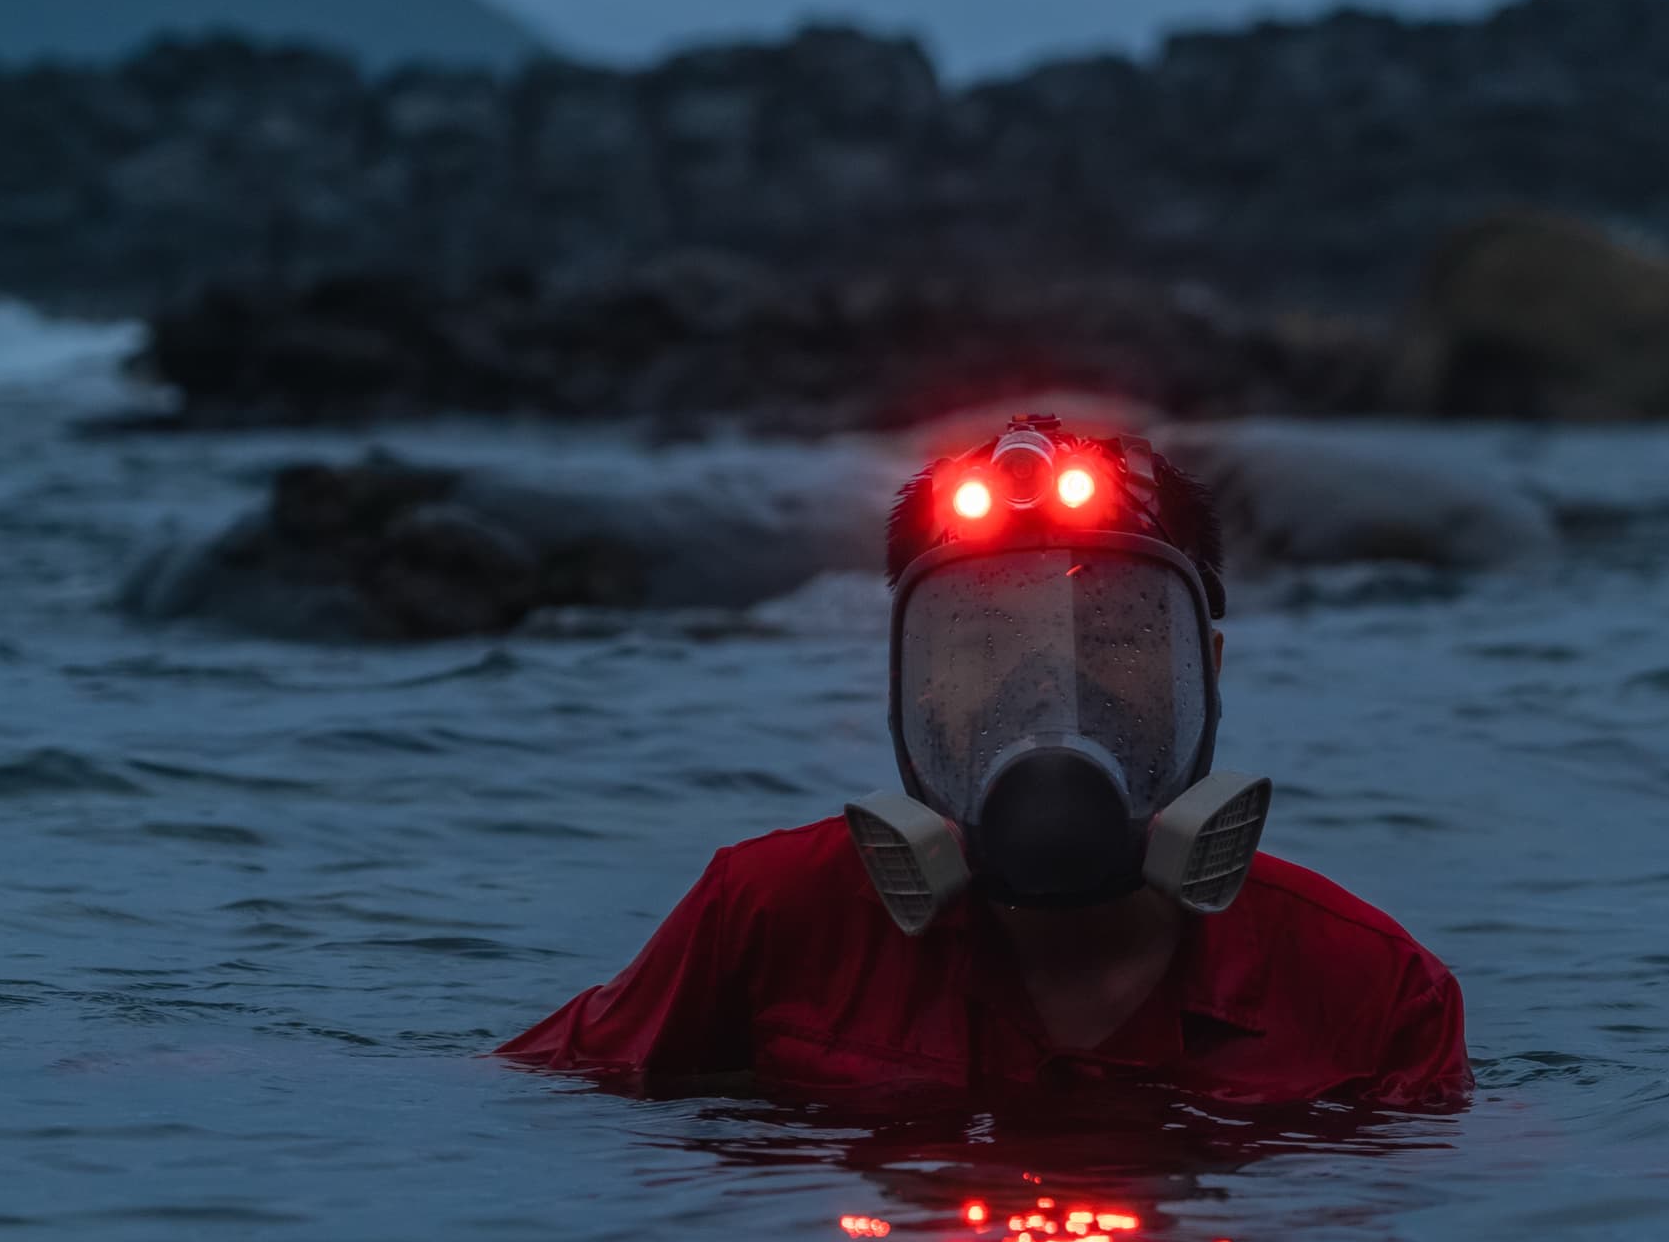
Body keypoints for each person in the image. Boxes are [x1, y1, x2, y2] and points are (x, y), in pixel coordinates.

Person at [502, 416, 1468, 1111]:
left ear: (1204, 671)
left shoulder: (1372, 993)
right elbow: (520, 1106)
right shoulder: (768, 919)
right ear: (908, 677)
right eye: (982, 636)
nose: (1049, 684)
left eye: (1113, 633)